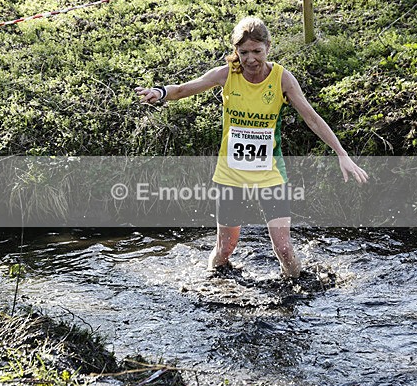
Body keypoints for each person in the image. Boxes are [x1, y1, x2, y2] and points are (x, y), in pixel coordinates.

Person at [136, 16, 368, 278]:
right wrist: (160, 92)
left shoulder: (282, 79)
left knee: (283, 248)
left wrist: (342, 153)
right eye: (243, 52)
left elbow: (311, 118)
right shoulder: (227, 75)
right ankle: (215, 281)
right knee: (225, 249)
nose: (250, 59)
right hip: (230, 174)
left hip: (270, 173)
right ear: (236, 51)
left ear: (268, 46)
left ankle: (297, 287)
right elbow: (183, 89)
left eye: (257, 51)